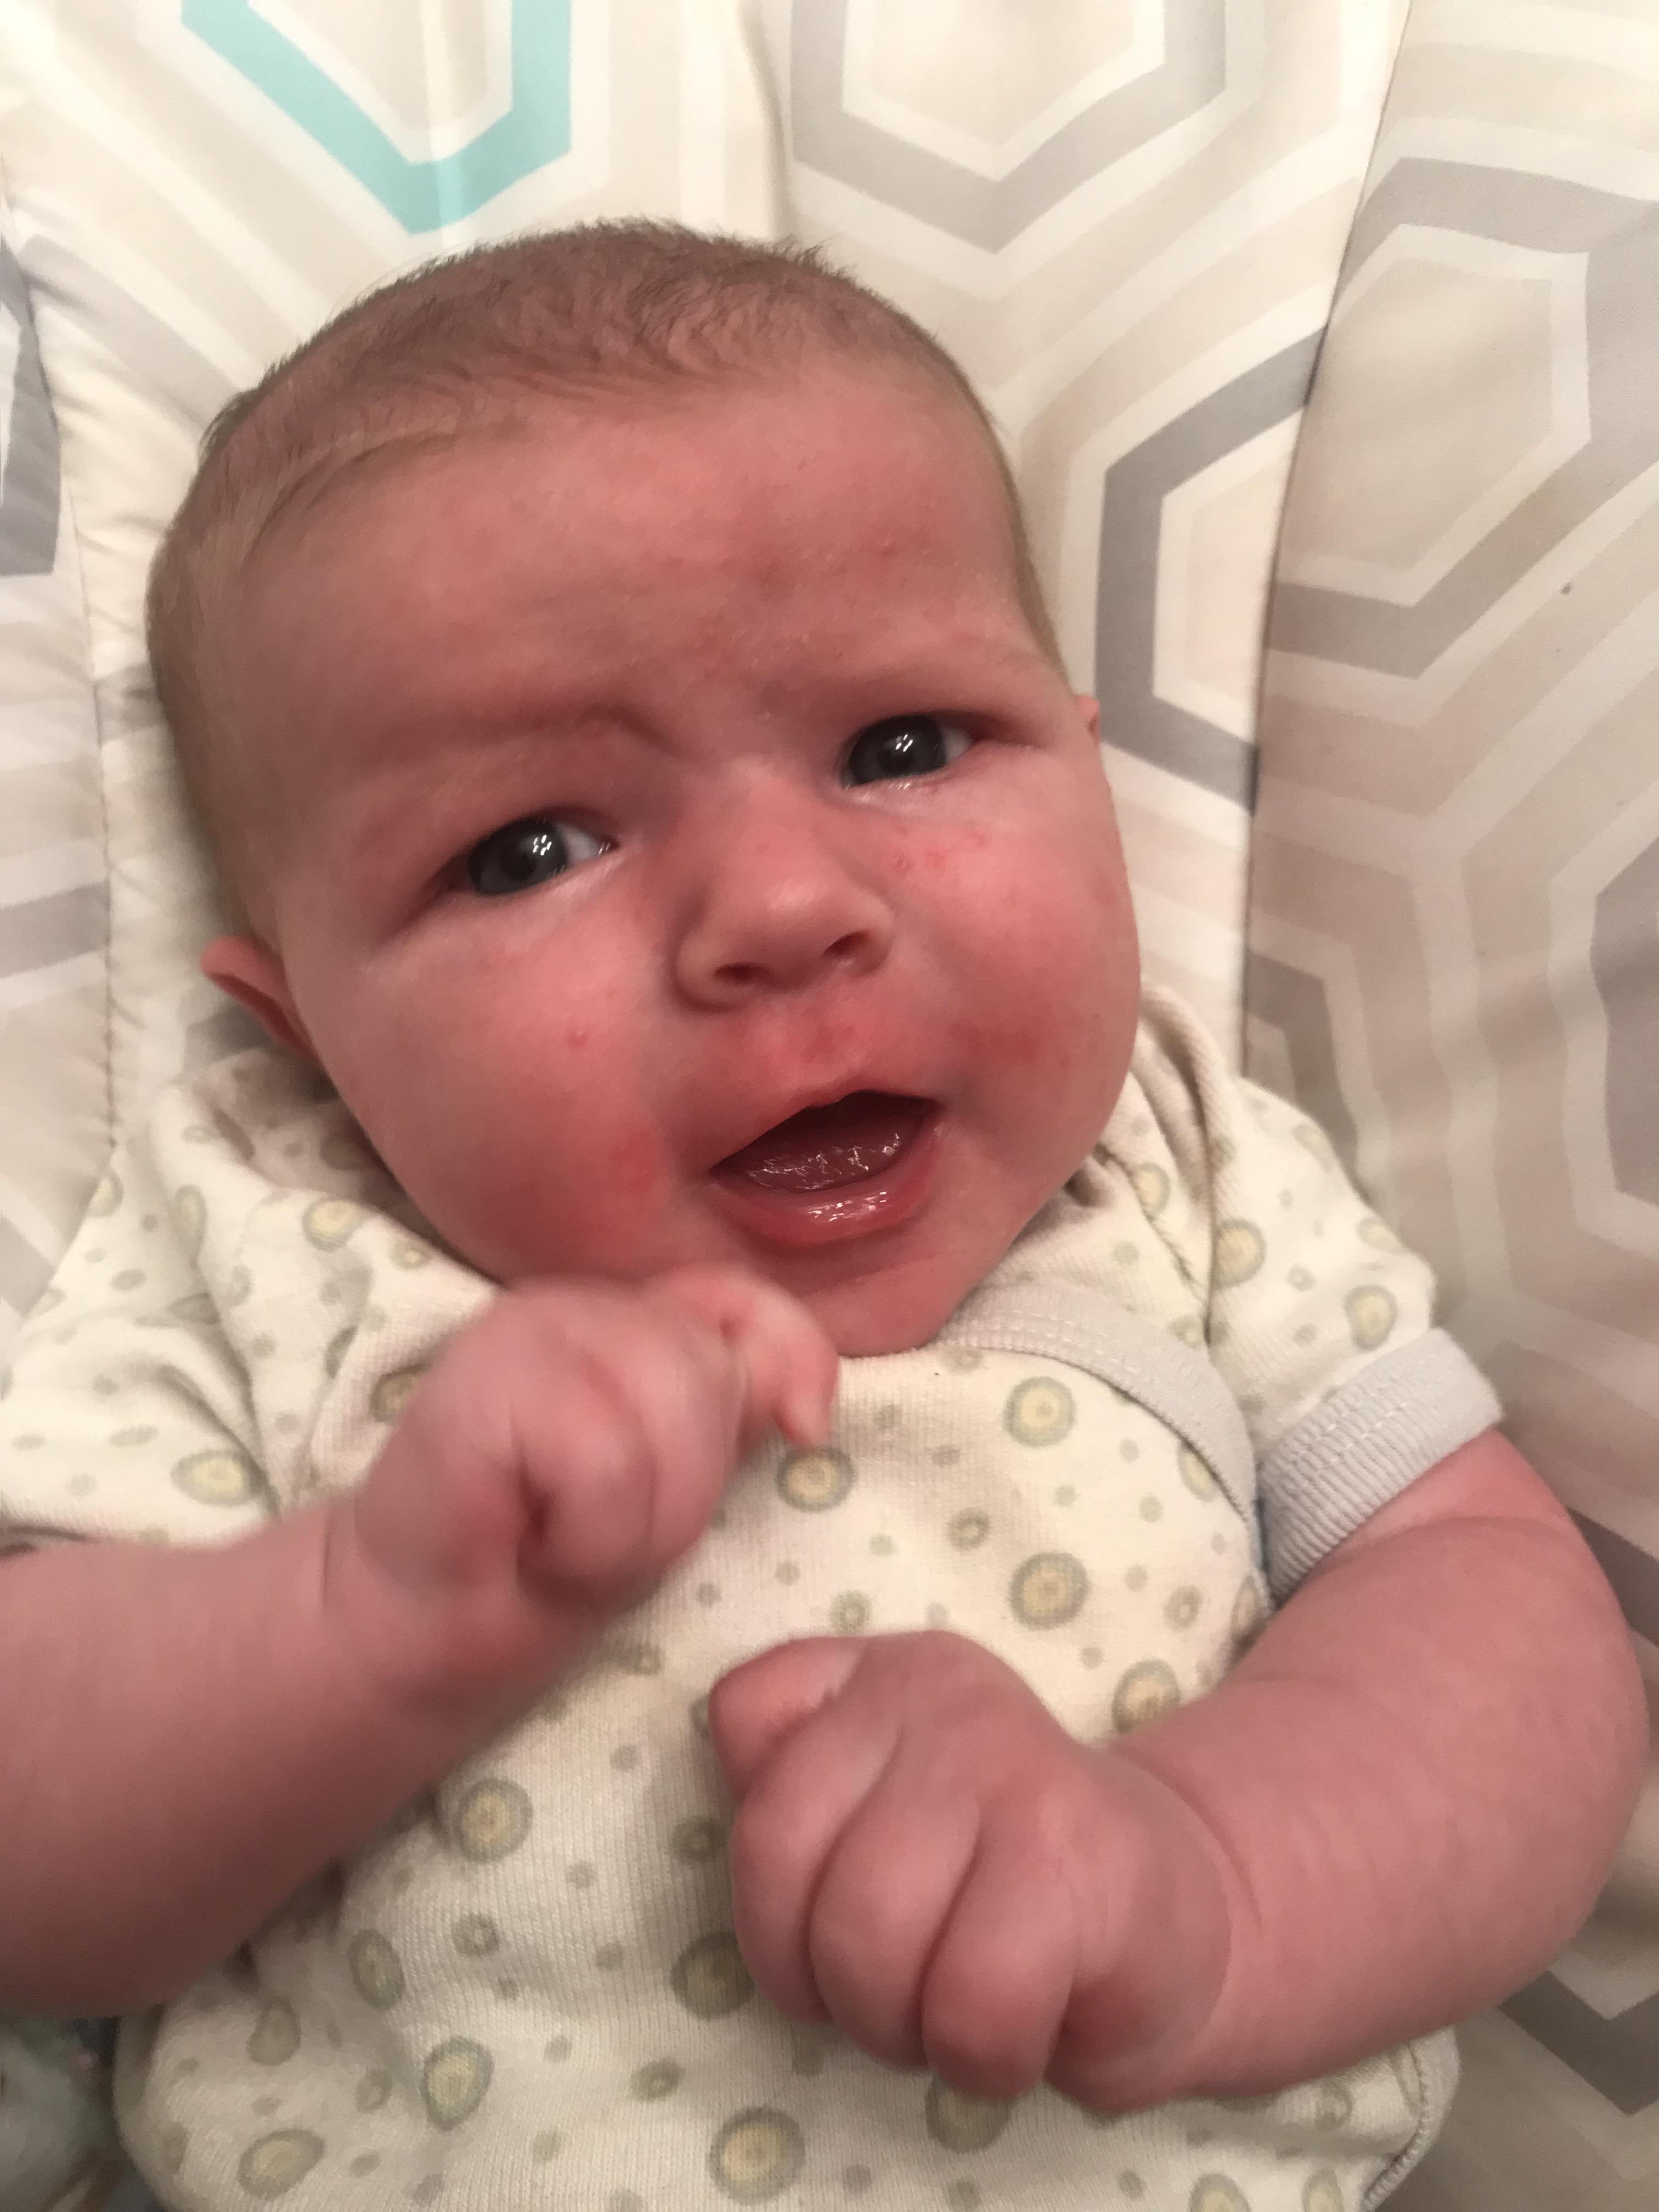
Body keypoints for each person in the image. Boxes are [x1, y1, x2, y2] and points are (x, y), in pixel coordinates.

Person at [0, 222, 1643, 2212]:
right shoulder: (274, 1231)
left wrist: (1213, 1876)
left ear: (1091, 774)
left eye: (902, 747)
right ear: (308, 1036)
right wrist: (363, 1621)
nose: (783, 910)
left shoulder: (1175, 1167)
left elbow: (1495, 1622)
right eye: (528, 849)